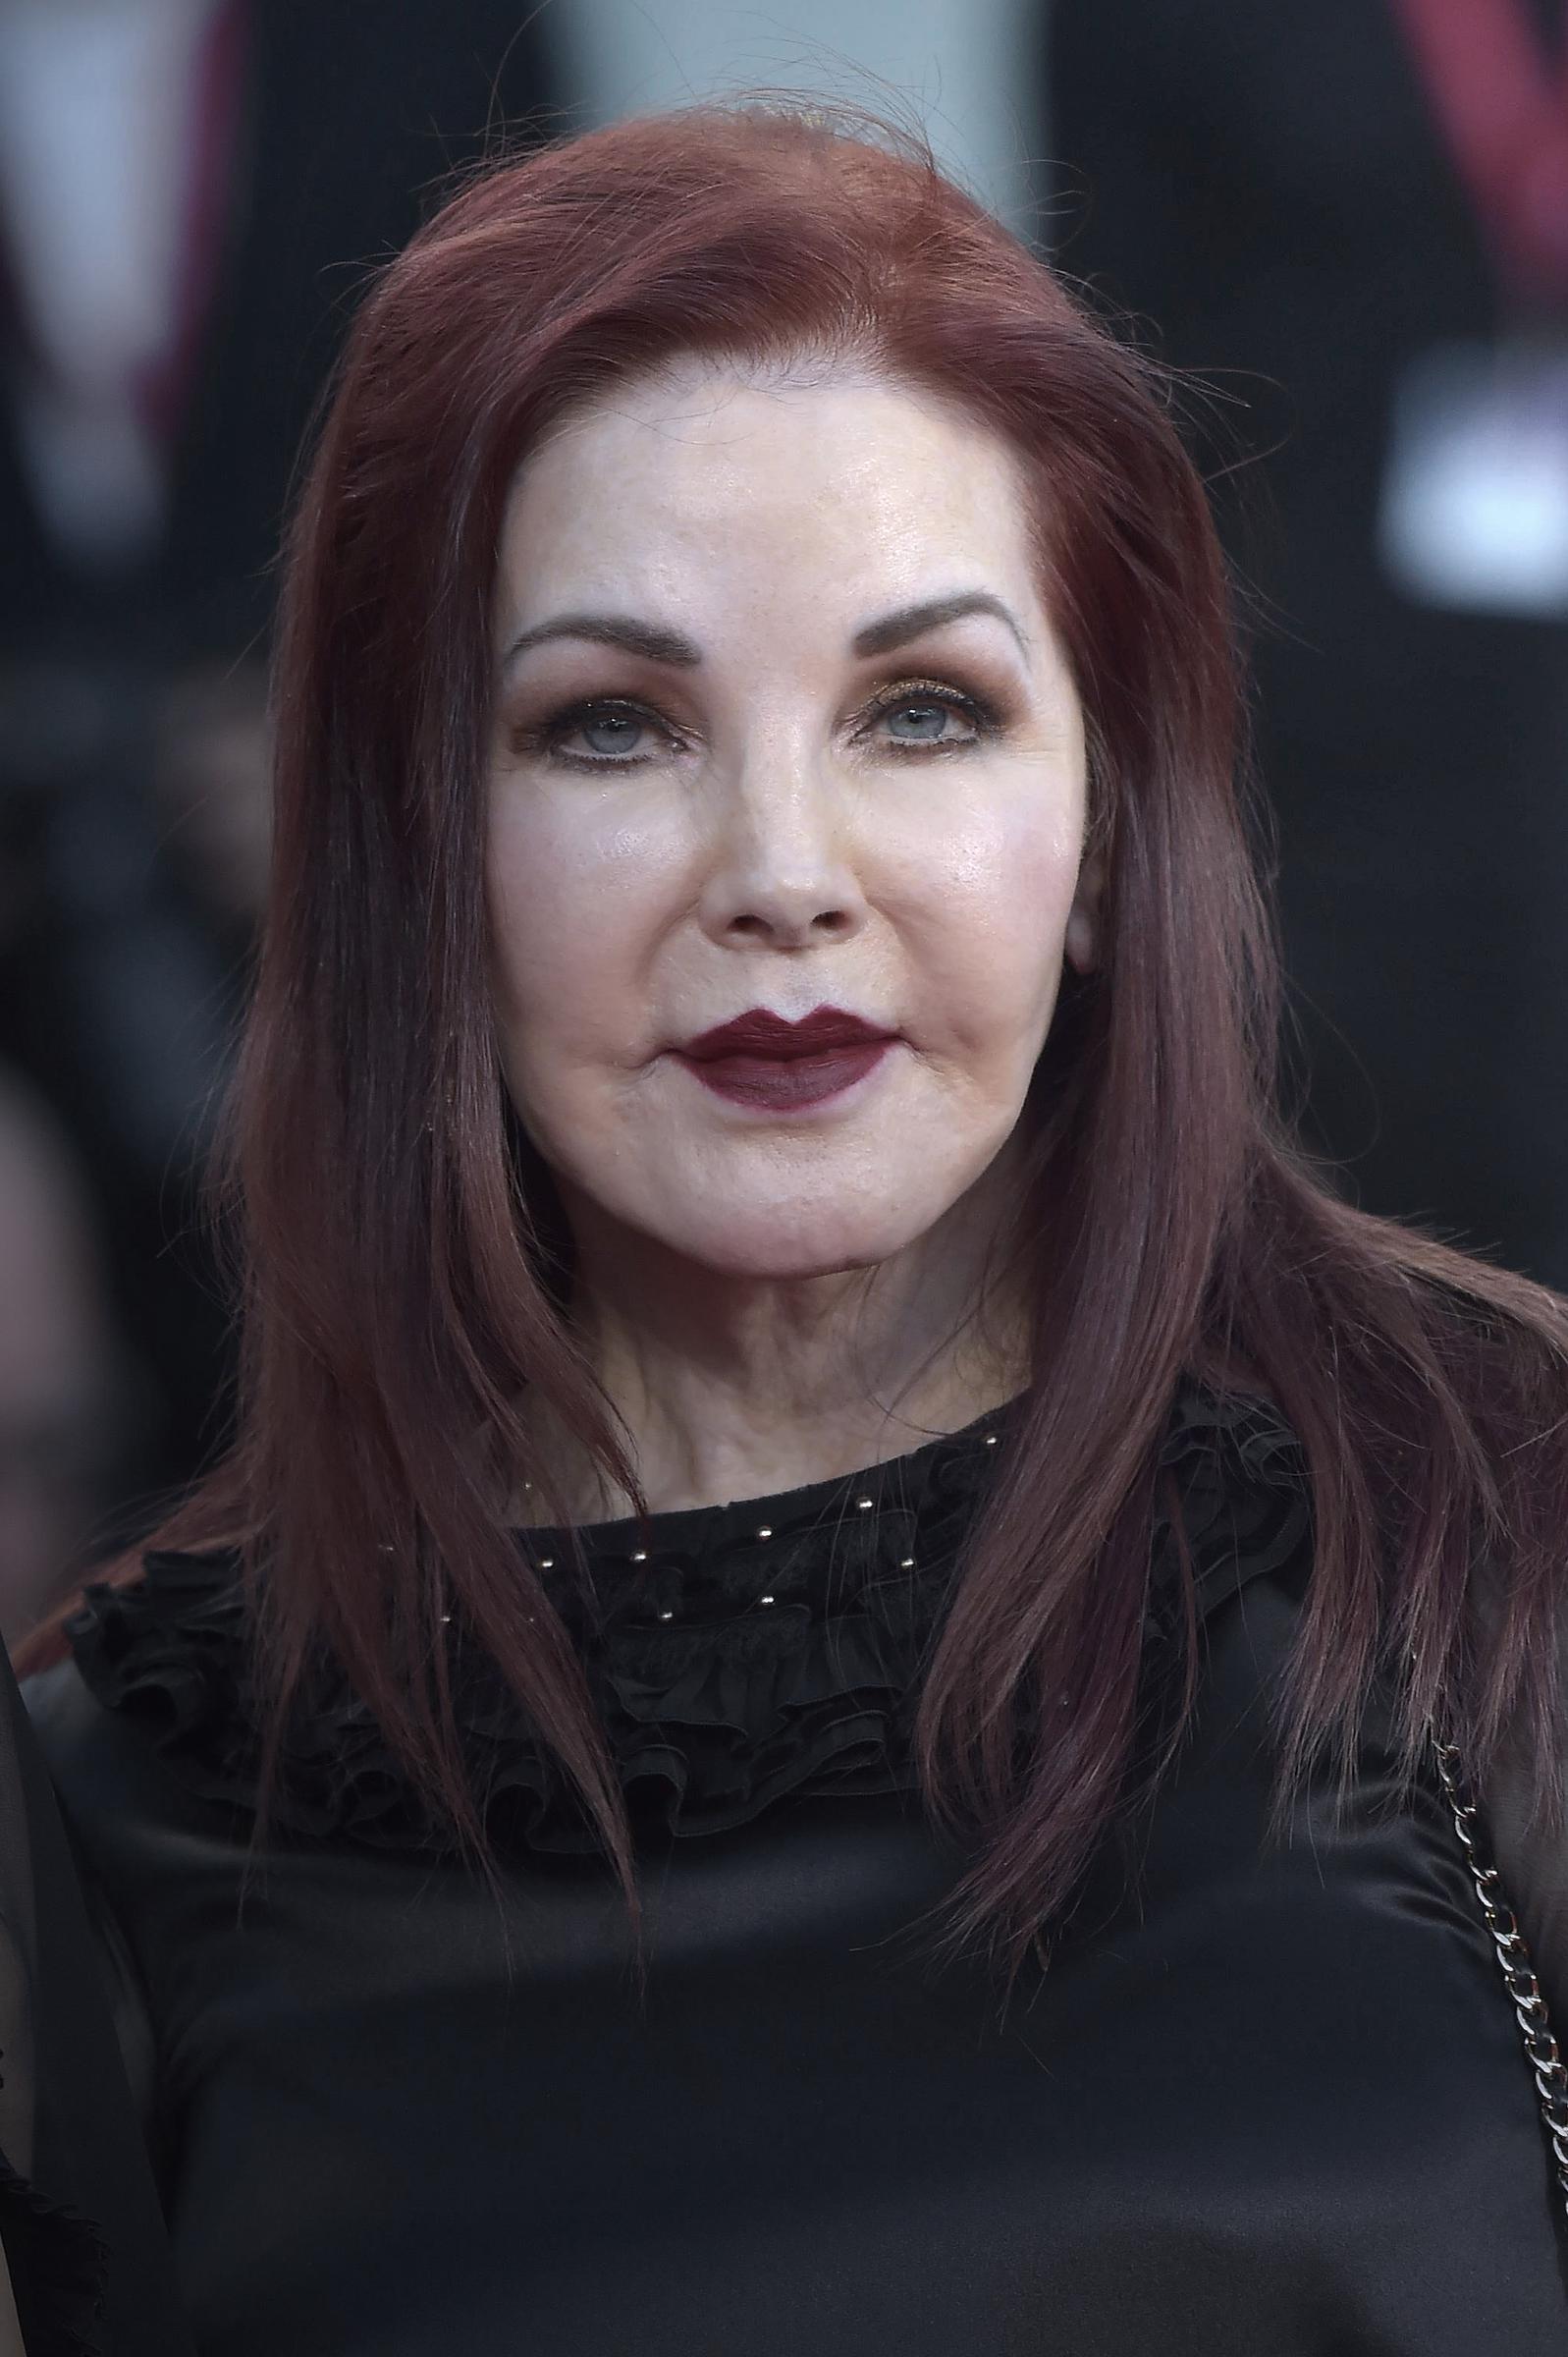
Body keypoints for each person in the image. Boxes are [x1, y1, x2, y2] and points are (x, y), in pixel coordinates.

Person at [15, 98, 1568, 2355]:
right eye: (610, 729)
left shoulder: (1499, 1528)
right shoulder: (107, 1827)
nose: (781, 869)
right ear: (411, 863)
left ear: (1114, 831)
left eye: (921, 710)